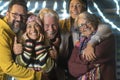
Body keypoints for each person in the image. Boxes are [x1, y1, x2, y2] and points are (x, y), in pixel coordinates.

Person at [59, 0, 112, 79]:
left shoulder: (96, 26)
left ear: (85, 8)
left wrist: (91, 44)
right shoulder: (64, 24)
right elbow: (71, 64)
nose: (74, 8)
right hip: (71, 72)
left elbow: (105, 29)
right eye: (71, 6)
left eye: (78, 5)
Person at [0, 0, 42, 80]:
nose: (19, 19)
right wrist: (38, 76)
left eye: (22, 16)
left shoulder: (11, 30)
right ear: (7, 14)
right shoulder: (2, 33)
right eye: (15, 14)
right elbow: (8, 67)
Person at [68, 11, 116, 80]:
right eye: (81, 26)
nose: (85, 27)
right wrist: (89, 67)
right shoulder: (80, 42)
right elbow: (71, 68)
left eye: (87, 22)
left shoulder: (107, 37)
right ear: (80, 30)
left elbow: (98, 54)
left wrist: (78, 64)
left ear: (93, 21)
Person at [38, 8, 61, 80]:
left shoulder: (62, 38)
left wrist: (57, 58)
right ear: (40, 25)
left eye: (54, 25)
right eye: (47, 25)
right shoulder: (35, 41)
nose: (51, 29)